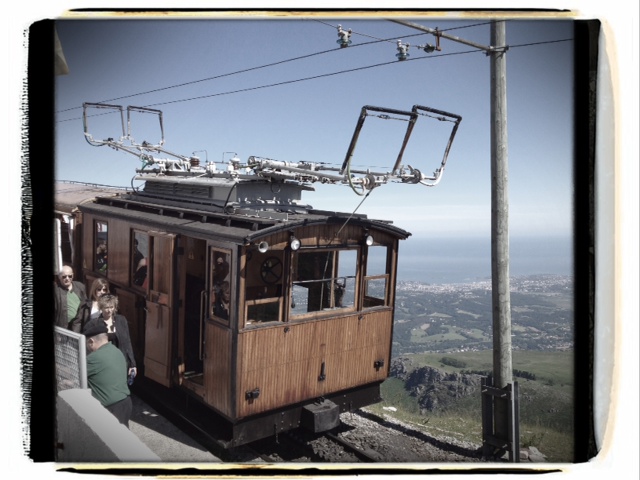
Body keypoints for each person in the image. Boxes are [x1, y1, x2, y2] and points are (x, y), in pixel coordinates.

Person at [84, 322, 132, 427]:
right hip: (125, 403)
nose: (87, 348)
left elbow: (77, 374)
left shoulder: (94, 358)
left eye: (86, 343)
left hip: (111, 409)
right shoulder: (117, 351)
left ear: (91, 341)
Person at [83, 294, 137, 380]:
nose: (109, 310)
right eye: (106, 307)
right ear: (101, 308)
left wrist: (132, 364)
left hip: (121, 360)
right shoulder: (94, 324)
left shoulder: (121, 320)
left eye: (111, 307)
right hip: (105, 363)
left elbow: (127, 342)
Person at [54, 265, 88, 330]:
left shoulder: (80, 287)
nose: (67, 278)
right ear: (59, 277)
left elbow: (85, 305)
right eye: (64, 276)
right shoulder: (56, 291)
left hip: (78, 326)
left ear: (73, 275)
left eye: (70, 276)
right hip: (62, 327)